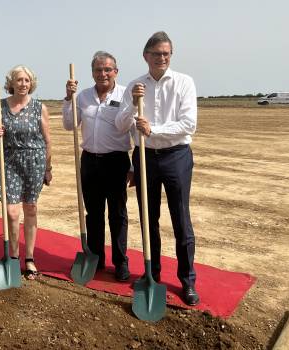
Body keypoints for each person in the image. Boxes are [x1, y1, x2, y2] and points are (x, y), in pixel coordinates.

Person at [115, 31, 200, 306]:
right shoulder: (135, 85)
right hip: (145, 157)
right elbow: (120, 124)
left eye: (166, 53)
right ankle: (152, 273)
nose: (162, 58)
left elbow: (189, 125)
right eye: (156, 54)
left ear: (170, 55)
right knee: (148, 218)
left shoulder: (184, 82)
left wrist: (153, 129)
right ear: (146, 56)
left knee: (180, 219)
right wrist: (131, 102)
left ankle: (187, 281)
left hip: (177, 156)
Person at [62, 51, 132, 282]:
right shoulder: (82, 97)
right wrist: (68, 98)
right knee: (93, 214)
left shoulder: (126, 96)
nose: (103, 74)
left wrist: (132, 166)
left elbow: (132, 130)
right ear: (92, 73)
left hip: (116, 161)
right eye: (98, 70)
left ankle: (121, 262)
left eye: (107, 69)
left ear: (115, 71)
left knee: (118, 214)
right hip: (90, 161)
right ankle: (96, 258)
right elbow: (70, 124)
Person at [0, 65, 52, 280]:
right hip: (10, 161)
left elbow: (47, 140)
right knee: (12, 212)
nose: (23, 84)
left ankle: (30, 258)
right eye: (19, 80)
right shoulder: (0, 106)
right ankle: (13, 257)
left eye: (26, 80)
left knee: (31, 208)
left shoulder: (39, 108)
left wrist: (48, 168)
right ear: (12, 83)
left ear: (30, 83)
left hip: (35, 161)